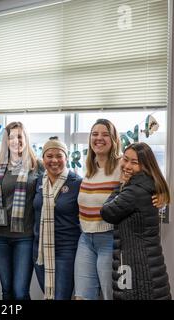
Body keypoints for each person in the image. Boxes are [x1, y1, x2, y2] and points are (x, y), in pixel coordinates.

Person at [100, 142, 171, 300]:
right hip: (145, 261)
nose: (127, 166)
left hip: (136, 263)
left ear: (146, 166)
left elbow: (107, 212)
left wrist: (120, 186)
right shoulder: (147, 184)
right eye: (125, 159)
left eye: (134, 162)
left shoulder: (133, 191)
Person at [0, 121, 42, 300]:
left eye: (19, 136)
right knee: (7, 290)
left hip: (24, 237)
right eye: (11, 137)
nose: (15, 141)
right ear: (6, 141)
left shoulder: (37, 167)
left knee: (20, 291)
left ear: (25, 139)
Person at [74, 119, 122, 300]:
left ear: (114, 139)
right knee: (82, 296)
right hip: (85, 238)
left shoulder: (122, 164)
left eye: (105, 134)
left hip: (109, 239)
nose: (99, 138)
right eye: (95, 134)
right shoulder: (89, 168)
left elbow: (149, 182)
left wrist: (160, 195)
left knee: (111, 296)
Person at [33, 138, 82, 300]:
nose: (54, 160)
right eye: (49, 156)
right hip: (40, 248)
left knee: (61, 296)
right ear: (43, 159)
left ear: (66, 158)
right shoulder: (39, 181)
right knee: (48, 294)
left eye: (59, 156)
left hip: (66, 249)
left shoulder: (77, 182)